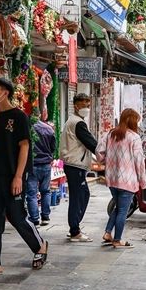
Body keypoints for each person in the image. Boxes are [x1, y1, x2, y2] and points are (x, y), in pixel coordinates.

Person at [0, 78, 47, 278]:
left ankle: (40, 246)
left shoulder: (19, 117)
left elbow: (25, 146)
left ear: (5, 92)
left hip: (14, 174)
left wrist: (19, 177)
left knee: (17, 216)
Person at [96, 108, 146, 248]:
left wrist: (107, 160)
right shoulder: (134, 137)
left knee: (118, 207)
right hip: (128, 180)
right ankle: (117, 240)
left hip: (112, 178)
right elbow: (139, 162)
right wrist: (143, 182)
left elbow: (99, 152)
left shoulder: (111, 134)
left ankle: (107, 232)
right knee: (122, 211)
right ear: (133, 120)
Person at [60, 93, 98, 242]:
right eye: (83, 105)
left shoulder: (75, 121)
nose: (86, 108)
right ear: (75, 105)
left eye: (88, 105)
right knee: (78, 197)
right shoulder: (78, 123)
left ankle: (75, 226)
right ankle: (75, 231)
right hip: (75, 165)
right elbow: (91, 143)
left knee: (82, 195)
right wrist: (105, 153)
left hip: (75, 165)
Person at [27, 111, 56, 226]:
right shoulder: (49, 129)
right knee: (46, 191)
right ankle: (45, 216)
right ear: (39, 115)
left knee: (32, 193)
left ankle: (34, 218)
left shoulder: (28, 129)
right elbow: (53, 147)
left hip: (32, 164)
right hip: (46, 164)